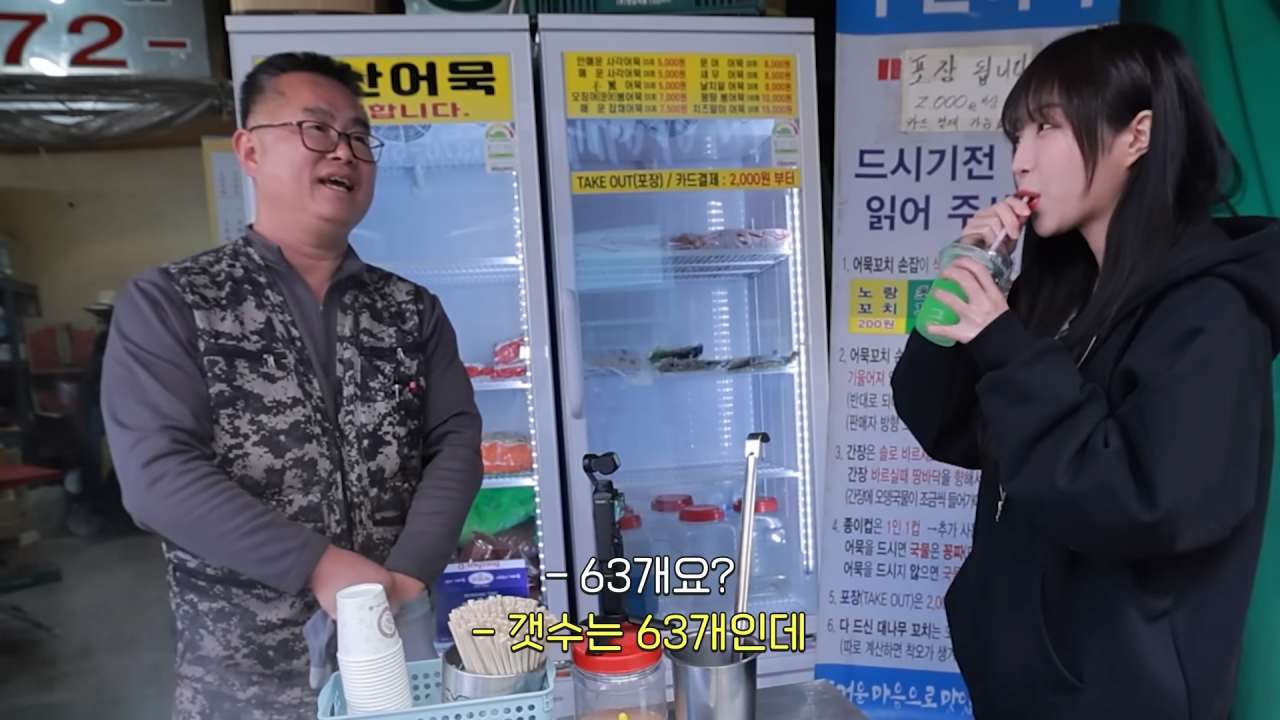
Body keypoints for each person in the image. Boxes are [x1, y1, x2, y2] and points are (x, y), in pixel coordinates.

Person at [891, 23, 1280, 720]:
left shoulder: (1211, 312)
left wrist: (1005, 344)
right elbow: (946, 427)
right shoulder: (1066, 292)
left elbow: (1142, 500)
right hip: (1021, 690)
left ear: (1138, 135)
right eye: (1017, 135)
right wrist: (968, 281)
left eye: (1047, 127)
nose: (1021, 160)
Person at [101, 52, 484, 720]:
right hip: (243, 675)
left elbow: (453, 440)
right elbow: (157, 474)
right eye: (317, 129)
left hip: (396, 655)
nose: (344, 151)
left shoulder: (409, 309)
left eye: (359, 136)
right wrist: (318, 564)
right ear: (250, 150)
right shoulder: (173, 301)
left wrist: (410, 571)